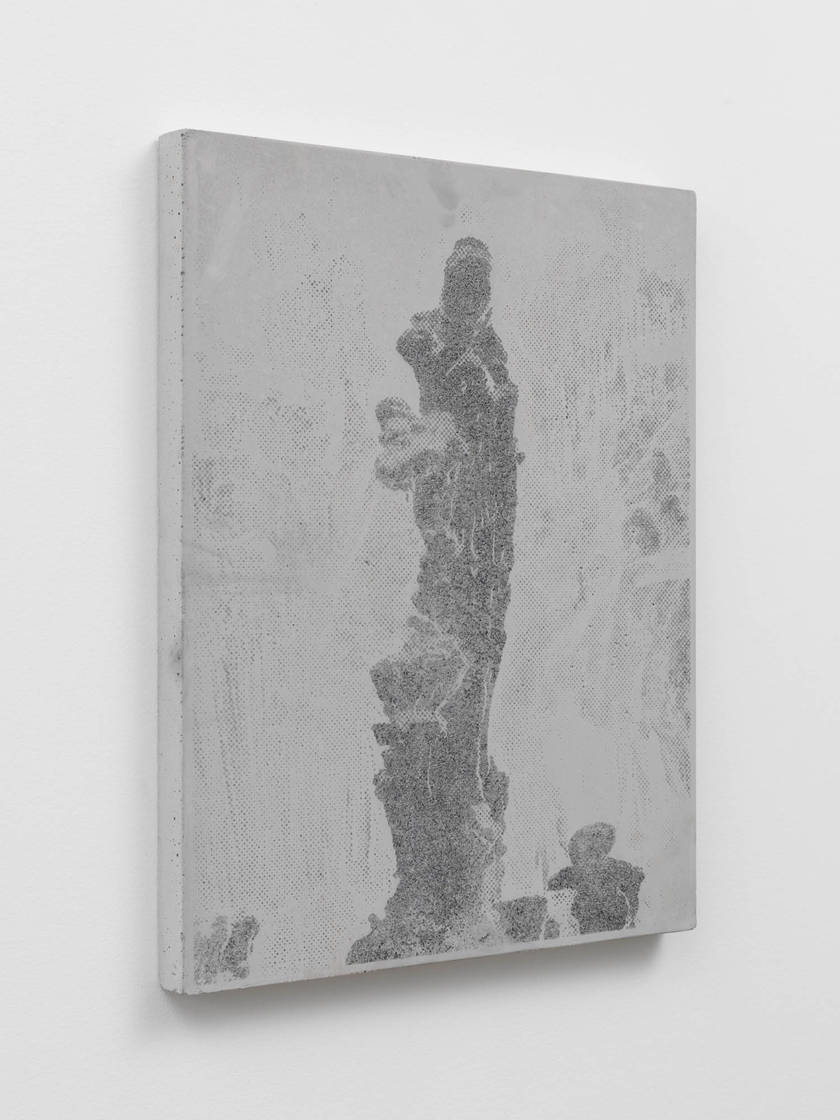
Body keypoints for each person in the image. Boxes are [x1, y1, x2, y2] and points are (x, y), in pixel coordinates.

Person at [547, 823, 644, 934]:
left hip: (613, 922)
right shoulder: (573, 873)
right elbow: (553, 883)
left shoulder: (616, 867)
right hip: (588, 922)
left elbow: (636, 877)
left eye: (593, 852)